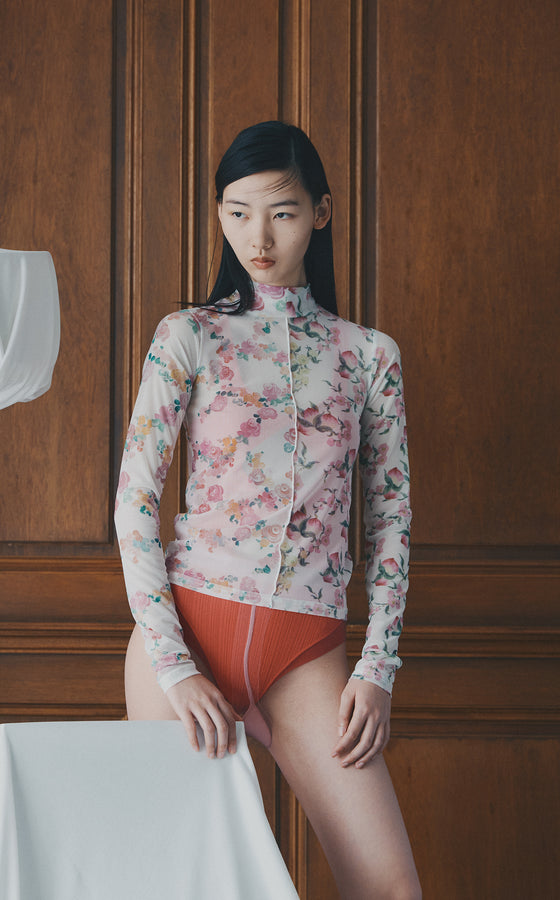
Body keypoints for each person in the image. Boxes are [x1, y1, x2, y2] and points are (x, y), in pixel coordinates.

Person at [115, 120, 421, 898]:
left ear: (321, 212)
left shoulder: (368, 356)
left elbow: (390, 520)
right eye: (238, 212)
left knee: (389, 889)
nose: (258, 236)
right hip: (186, 637)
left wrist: (378, 666)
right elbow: (134, 502)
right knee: (174, 888)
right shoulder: (188, 336)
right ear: (219, 214)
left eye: (282, 212)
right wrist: (174, 667)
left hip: (305, 654)